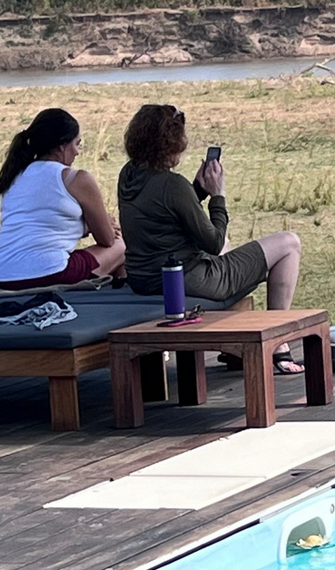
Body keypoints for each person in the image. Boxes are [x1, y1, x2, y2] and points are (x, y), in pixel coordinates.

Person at [116, 103, 305, 374]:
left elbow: (164, 213)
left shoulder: (128, 175)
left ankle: (238, 348)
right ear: (172, 143)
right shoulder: (172, 184)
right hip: (186, 280)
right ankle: (279, 342)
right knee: (289, 244)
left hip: (144, 278)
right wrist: (217, 195)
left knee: (231, 250)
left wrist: (195, 192)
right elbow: (213, 242)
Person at [0, 108, 126, 290]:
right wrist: (103, 224)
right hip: (49, 272)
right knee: (121, 246)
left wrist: (87, 226)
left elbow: (41, 225)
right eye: (77, 144)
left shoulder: (14, 176)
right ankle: (121, 298)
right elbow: (107, 240)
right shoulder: (76, 179)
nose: (77, 152)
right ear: (62, 146)